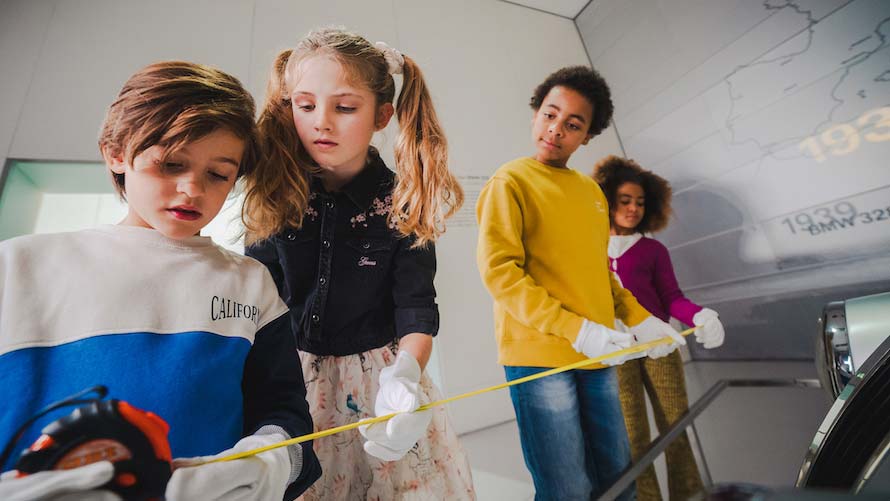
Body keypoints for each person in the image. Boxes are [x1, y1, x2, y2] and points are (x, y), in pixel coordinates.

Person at [0, 61, 320, 501]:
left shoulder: (250, 284)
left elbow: (286, 416)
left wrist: (271, 462)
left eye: (218, 173)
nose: (192, 188)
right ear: (116, 151)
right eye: (170, 164)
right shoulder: (16, 267)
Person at [242, 28, 475, 500]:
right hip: (290, 377)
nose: (321, 123)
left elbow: (415, 306)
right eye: (304, 106)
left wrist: (406, 373)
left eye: (344, 107)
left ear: (381, 115)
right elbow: (256, 294)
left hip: (378, 382)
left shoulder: (403, 201)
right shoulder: (274, 190)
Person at [475, 65, 686, 501]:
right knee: (567, 489)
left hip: (599, 357)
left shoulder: (591, 194)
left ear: (588, 135)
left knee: (620, 479)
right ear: (535, 113)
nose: (556, 130)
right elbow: (501, 274)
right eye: (550, 115)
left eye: (573, 124)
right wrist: (578, 330)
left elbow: (600, 273)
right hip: (539, 359)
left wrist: (641, 319)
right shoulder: (509, 181)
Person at [593, 155, 725, 501]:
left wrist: (698, 315)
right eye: (625, 201)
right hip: (616, 352)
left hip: (659, 348)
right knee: (632, 439)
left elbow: (672, 298)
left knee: (676, 427)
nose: (633, 208)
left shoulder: (653, 250)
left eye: (639, 202)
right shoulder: (590, 250)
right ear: (607, 202)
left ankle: (690, 495)